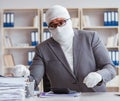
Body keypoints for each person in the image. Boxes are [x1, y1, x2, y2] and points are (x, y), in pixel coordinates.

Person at [15, 5, 116, 92]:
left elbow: (110, 68)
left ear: (69, 21)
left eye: (61, 22)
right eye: (52, 25)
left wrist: (99, 76)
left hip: (94, 96)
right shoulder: (42, 49)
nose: (58, 28)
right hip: (63, 98)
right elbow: (33, 80)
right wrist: (22, 77)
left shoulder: (90, 38)